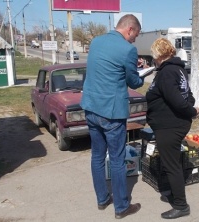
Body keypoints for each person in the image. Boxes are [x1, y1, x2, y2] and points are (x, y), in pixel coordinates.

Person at [80, 14, 144, 219]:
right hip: (111, 113)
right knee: (117, 160)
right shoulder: (128, 49)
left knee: (97, 156)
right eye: (136, 35)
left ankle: (102, 199)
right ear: (130, 29)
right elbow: (133, 82)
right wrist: (141, 74)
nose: (135, 39)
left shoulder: (96, 41)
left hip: (91, 108)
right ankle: (122, 207)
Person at [146, 38, 199, 219]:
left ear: (158, 55)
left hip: (170, 126)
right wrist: (190, 108)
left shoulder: (167, 72)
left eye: (153, 56)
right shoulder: (177, 69)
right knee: (172, 163)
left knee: (172, 166)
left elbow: (179, 101)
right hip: (172, 124)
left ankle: (181, 205)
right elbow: (189, 96)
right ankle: (174, 193)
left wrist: (191, 111)